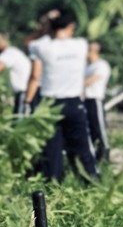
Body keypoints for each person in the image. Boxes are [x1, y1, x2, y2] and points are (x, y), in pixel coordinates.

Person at [26, 11, 97, 182]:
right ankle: (90, 181)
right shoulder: (81, 45)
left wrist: (44, 23)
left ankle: (53, 183)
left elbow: (35, 75)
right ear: (71, 27)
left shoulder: (40, 46)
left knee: (52, 149)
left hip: (50, 103)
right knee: (81, 147)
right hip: (74, 102)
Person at [0, 31, 32, 116]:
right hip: (25, 90)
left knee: (19, 120)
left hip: (22, 92)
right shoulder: (13, 51)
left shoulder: (8, 54)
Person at [83, 41, 112, 161]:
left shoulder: (101, 65)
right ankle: (95, 153)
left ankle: (105, 154)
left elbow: (91, 80)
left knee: (99, 127)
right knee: (89, 128)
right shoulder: (87, 66)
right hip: (85, 100)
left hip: (95, 100)